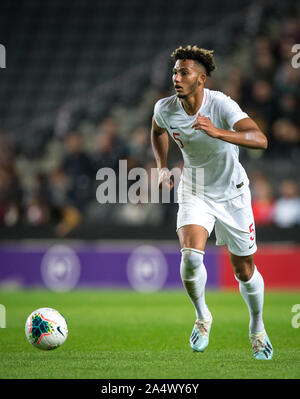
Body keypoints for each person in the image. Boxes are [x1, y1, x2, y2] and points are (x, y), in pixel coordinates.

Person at [151, 45, 273, 360]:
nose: (176, 77)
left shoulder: (221, 105)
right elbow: (157, 131)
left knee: (244, 270)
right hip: (195, 188)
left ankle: (257, 328)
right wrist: (162, 166)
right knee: (191, 257)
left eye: (184, 72)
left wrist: (217, 131)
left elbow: (260, 139)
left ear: (201, 78)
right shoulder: (165, 108)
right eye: (175, 71)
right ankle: (203, 317)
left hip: (232, 192)